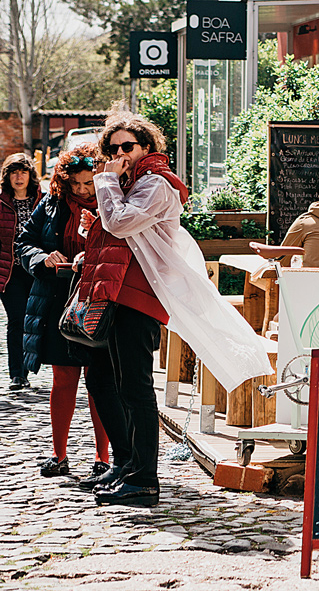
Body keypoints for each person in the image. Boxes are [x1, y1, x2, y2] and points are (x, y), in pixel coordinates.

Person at [81, 111, 272, 507]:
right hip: (120, 292)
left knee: (135, 387)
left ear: (146, 147)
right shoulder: (131, 183)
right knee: (115, 384)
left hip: (141, 295)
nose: (119, 154)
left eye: (127, 146)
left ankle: (144, 479)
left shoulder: (156, 183)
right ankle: (129, 466)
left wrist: (105, 183)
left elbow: (120, 223)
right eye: (112, 149)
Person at [18, 144, 111, 483]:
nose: (83, 190)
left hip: (100, 301)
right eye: (76, 183)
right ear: (65, 180)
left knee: (99, 381)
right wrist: (43, 258)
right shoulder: (52, 203)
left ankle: (103, 457)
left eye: (89, 183)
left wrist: (95, 250)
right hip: (58, 300)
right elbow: (24, 242)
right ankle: (59, 455)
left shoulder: (112, 202)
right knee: (63, 379)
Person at [1, 153, 42, 391]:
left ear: (30, 175)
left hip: (37, 271)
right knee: (17, 320)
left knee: (35, 321)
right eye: (14, 172)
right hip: (10, 272)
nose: (19, 177)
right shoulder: (1, 203)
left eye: (23, 172)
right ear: (7, 177)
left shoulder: (43, 201)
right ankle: (18, 374)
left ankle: (33, 366)